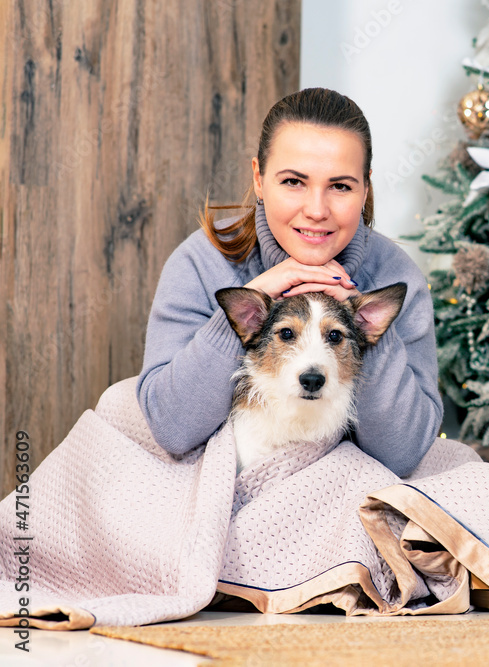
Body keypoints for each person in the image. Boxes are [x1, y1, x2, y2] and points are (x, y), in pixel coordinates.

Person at [137, 88, 442, 477]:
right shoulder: (201, 262)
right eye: (294, 181)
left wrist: (366, 330)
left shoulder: (398, 279)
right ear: (259, 179)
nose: (316, 210)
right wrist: (251, 304)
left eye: (341, 186)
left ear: (365, 189)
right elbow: (172, 428)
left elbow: (404, 454)